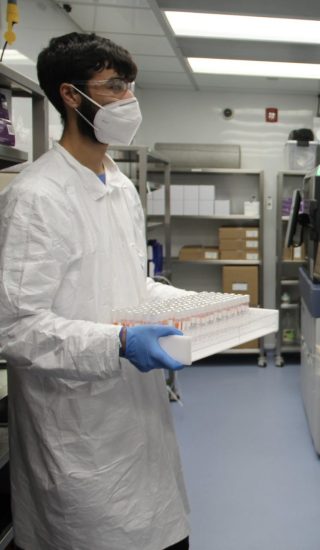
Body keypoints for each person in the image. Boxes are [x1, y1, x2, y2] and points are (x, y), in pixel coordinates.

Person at [0, 33, 191, 550]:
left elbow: (129, 282)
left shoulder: (120, 186)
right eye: (113, 86)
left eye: (129, 87)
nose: (128, 100)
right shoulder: (37, 197)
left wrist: (198, 307)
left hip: (138, 422)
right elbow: (16, 329)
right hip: (77, 436)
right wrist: (118, 344)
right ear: (70, 95)